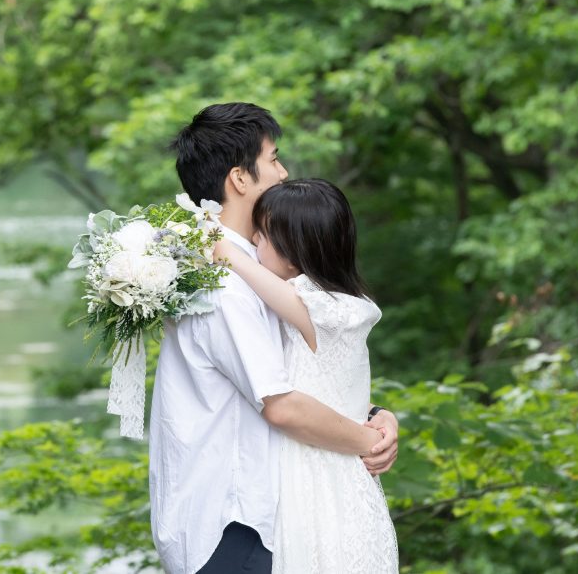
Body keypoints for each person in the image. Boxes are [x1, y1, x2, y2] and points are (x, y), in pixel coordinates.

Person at [150, 102, 399, 574]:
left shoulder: (256, 269)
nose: (284, 173)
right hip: (233, 524)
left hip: (265, 516)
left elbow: (304, 370)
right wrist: (366, 440)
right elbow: (282, 405)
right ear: (239, 179)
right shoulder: (223, 283)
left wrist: (371, 414)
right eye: (274, 159)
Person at [213, 178, 399, 573]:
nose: (254, 242)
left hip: (322, 474)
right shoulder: (325, 307)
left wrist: (226, 251)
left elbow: (256, 275)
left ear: (293, 255)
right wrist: (380, 414)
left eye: (262, 235)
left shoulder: (328, 310)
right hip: (325, 463)